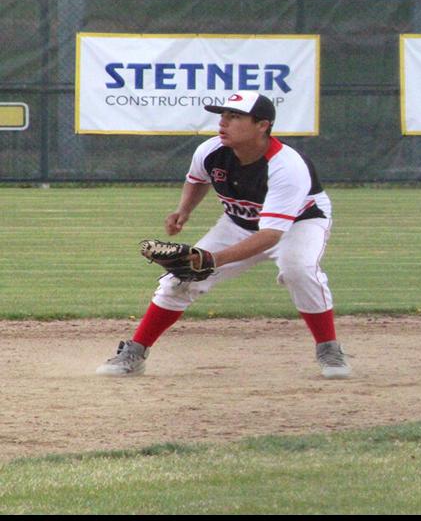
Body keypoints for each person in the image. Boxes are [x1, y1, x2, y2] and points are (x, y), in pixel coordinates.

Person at [97, 91, 350, 379]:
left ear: (262, 125)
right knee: (180, 279)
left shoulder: (287, 166)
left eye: (235, 116)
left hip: (299, 224)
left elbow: (270, 235)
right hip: (238, 223)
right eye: (223, 115)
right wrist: (184, 210)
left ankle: (328, 348)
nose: (223, 122)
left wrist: (210, 260)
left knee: (299, 270)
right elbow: (197, 179)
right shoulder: (210, 151)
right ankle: (135, 351)